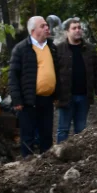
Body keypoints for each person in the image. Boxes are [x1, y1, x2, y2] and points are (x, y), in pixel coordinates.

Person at [9, 16, 57, 157]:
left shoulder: (52, 47)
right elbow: (13, 76)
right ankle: (27, 165)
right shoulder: (21, 49)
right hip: (28, 100)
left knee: (46, 134)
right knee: (28, 135)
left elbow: (57, 72)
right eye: (42, 26)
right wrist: (16, 100)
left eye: (46, 25)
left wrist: (57, 94)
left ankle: (46, 164)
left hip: (47, 100)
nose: (47, 28)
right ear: (33, 30)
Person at [54, 17, 97, 142]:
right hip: (65, 96)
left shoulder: (90, 49)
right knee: (63, 129)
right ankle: (60, 154)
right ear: (67, 32)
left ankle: (78, 156)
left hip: (84, 96)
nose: (77, 30)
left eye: (79, 28)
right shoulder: (59, 49)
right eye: (74, 28)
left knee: (81, 129)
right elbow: (54, 72)